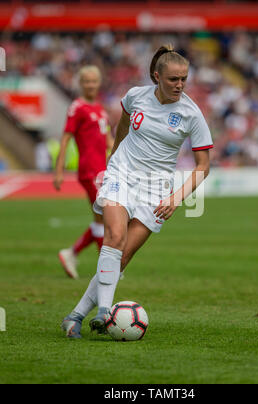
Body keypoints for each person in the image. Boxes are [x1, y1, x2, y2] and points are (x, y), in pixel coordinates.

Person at [61, 45, 213, 338]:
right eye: (173, 79)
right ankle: (105, 312)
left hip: (158, 190)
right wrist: (114, 155)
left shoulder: (191, 114)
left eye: (184, 79)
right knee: (114, 237)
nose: (179, 85)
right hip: (122, 174)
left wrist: (176, 197)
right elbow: (124, 124)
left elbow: (203, 166)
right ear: (157, 76)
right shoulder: (135, 96)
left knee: (123, 256)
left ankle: (76, 315)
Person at [54, 65, 114, 279]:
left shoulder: (100, 109)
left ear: (99, 83)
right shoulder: (77, 107)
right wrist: (59, 170)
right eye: (86, 81)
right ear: (80, 84)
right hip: (89, 171)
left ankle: (72, 253)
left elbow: (109, 142)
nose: (90, 85)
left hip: (103, 171)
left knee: (102, 219)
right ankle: (107, 268)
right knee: (106, 216)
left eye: (94, 81)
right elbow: (66, 137)